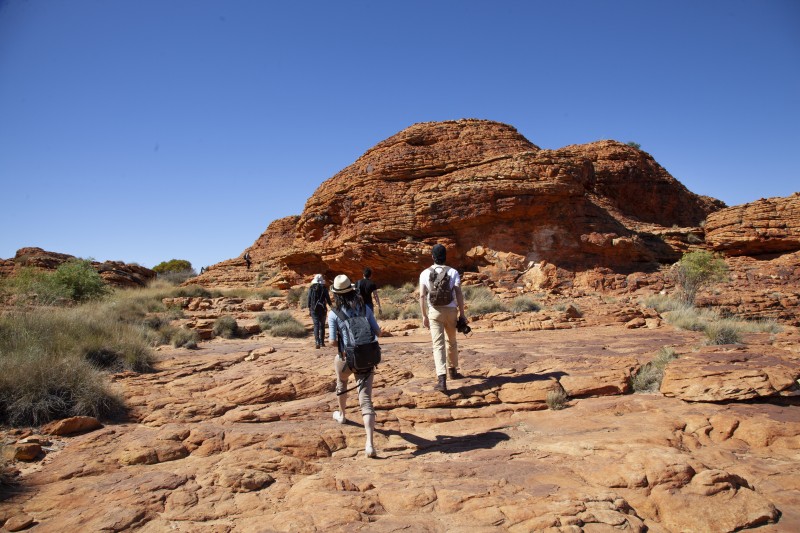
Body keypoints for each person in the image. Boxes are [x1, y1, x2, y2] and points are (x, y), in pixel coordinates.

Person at [328, 274, 381, 458]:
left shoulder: (334, 314)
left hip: (345, 359)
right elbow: (378, 331)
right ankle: (370, 444)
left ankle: (342, 415)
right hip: (366, 358)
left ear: (337, 294)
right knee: (366, 400)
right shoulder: (365, 308)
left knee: (341, 383)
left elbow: (333, 341)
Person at [419, 244, 467, 393]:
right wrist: (462, 314)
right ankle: (453, 370)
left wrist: (424, 315)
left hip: (434, 312)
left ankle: (442, 380)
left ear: (433, 257)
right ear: (445, 256)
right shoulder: (453, 272)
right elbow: (458, 293)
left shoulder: (425, 273)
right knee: (451, 341)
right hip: (451, 310)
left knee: (438, 345)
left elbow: (422, 295)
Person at [307, 274, 332, 349]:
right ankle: (322, 342)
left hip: (314, 308)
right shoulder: (324, 288)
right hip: (322, 308)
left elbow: (309, 298)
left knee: (316, 324)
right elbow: (327, 299)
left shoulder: (311, 288)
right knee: (322, 325)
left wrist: (309, 307)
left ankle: (317, 341)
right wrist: (331, 306)